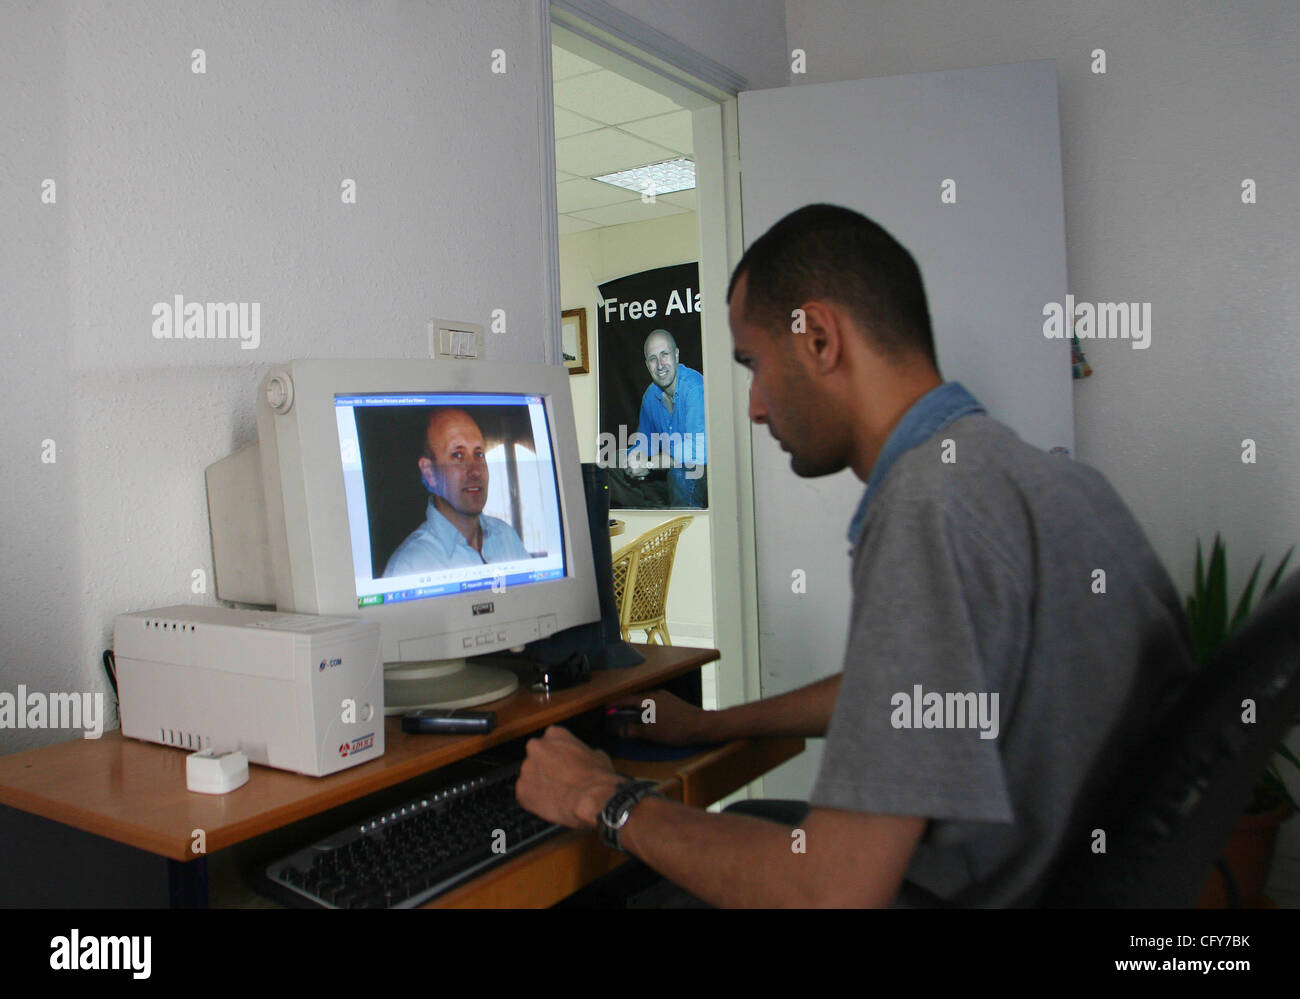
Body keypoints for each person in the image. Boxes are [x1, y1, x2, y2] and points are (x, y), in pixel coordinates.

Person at [515, 204, 1195, 907]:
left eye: (753, 364)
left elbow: (829, 894)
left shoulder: (929, 507)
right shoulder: (1033, 476)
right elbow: (906, 693)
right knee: (737, 826)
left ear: (819, 339)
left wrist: (604, 796)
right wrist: (711, 724)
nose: (752, 406)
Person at [383, 408, 530, 576]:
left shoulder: (506, 537)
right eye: (458, 455)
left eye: (479, 454)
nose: (475, 471)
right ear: (430, 472)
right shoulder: (408, 566)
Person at [627, 329, 707, 507]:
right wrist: (635, 457)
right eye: (653, 359)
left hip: (707, 471)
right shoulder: (650, 395)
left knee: (681, 472)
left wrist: (651, 463)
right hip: (665, 471)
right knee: (613, 467)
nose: (660, 365)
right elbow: (646, 440)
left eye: (665, 355)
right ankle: (653, 527)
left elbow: (700, 449)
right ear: (647, 365)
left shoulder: (694, 387)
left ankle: (686, 532)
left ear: (676, 355)